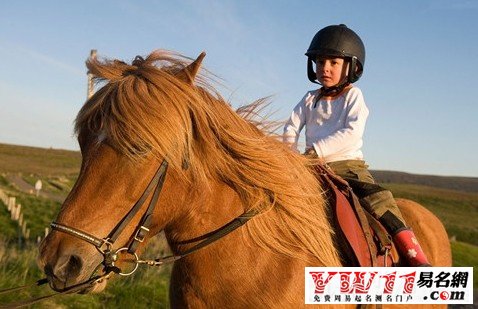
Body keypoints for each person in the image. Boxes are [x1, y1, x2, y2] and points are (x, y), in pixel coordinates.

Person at [283, 24, 430, 267]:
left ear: (351, 67)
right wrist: (289, 152)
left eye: (333, 63)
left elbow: (351, 133)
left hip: (347, 167)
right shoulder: (310, 98)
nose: (325, 69)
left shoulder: (354, 97)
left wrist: (313, 152)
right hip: (310, 166)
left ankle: (416, 257)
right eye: (320, 62)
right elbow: (291, 125)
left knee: (380, 199)